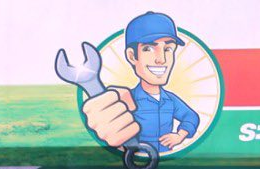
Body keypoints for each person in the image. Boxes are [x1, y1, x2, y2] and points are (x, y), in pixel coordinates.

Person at [82, 11, 201, 156]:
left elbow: (191, 116)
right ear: (132, 56)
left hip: (166, 157)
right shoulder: (125, 100)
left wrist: (180, 135)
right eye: (148, 48)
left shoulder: (170, 100)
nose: (161, 59)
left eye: (168, 49)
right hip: (135, 156)